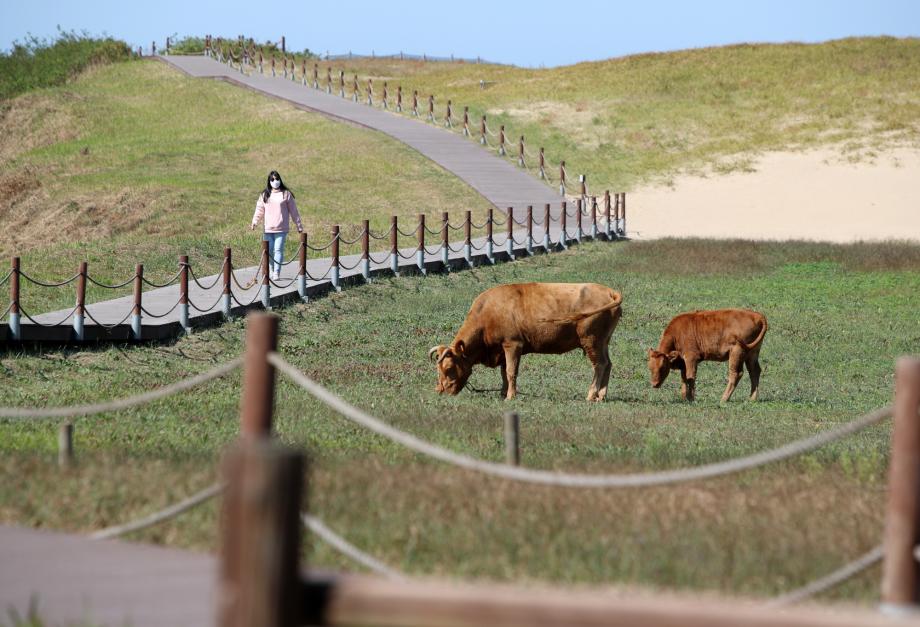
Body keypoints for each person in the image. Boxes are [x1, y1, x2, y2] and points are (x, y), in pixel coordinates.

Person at [251, 170, 303, 281]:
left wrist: (299, 225)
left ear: (280, 180)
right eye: (273, 179)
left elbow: (294, 211)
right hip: (268, 229)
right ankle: (271, 268)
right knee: (269, 251)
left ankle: (276, 273)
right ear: (269, 181)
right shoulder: (265, 194)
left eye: (277, 179)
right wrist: (255, 221)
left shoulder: (286, 194)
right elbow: (259, 209)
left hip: (281, 228)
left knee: (278, 250)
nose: (275, 181)